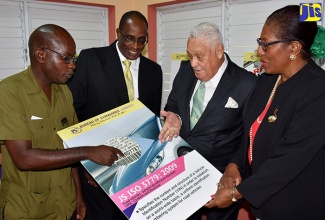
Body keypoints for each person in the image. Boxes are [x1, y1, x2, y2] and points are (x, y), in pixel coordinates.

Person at [205, 5, 325, 220]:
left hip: (296, 206)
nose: (259, 51)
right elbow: (249, 135)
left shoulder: (318, 91)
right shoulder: (267, 81)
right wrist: (235, 165)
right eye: (260, 43)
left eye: (266, 45)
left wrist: (235, 194)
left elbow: (289, 160)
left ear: (294, 48)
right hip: (264, 205)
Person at [0, 24, 124, 220]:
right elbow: (24, 159)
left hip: (63, 204)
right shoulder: (9, 92)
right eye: (66, 58)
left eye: (73, 59)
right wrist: (88, 152)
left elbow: (69, 146)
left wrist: (79, 196)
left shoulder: (63, 91)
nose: (73, 65)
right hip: (27, 208)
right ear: (41, 55)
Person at [67, 11, 163, 220]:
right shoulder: (91, 59)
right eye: (129, 38)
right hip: (97, 166)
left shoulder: (154, 71)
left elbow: (151, 121)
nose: (135, 46)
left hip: (136, 168)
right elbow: (73, 115)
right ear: (118, 33)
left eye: (141, 40)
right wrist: (86, 162)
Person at [158, 22, 257, 220]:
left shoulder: (247, 83)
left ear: (219, 51)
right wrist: (174, 116)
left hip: (220, 177)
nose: (193, 63)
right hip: (181, 172)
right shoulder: (185, 70)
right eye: (190, 55)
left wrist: (234, 167)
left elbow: (249, 136)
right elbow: (173, 104)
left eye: (199, 56)